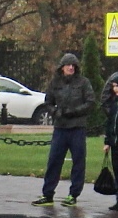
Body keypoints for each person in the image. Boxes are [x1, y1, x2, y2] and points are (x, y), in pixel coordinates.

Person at [32, 53, 96, 207]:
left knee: (78, 162)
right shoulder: (55, 83)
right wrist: (55, 112)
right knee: (54, 161)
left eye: (73, 65)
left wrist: (74, 111)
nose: (71, 67)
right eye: (68, 65)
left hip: (77, 128)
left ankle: (73, 194)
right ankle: (48, 194)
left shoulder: (83, 83)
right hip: (60, 128)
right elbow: (48, 101)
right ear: (62, 67)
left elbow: (90, 102)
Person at [102, 72, 118, 212]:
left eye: (117, 86)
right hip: (115, 144)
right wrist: (107, 141)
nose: (115, 89)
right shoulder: (115, 102)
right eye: (114, 86)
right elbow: (110, 123)